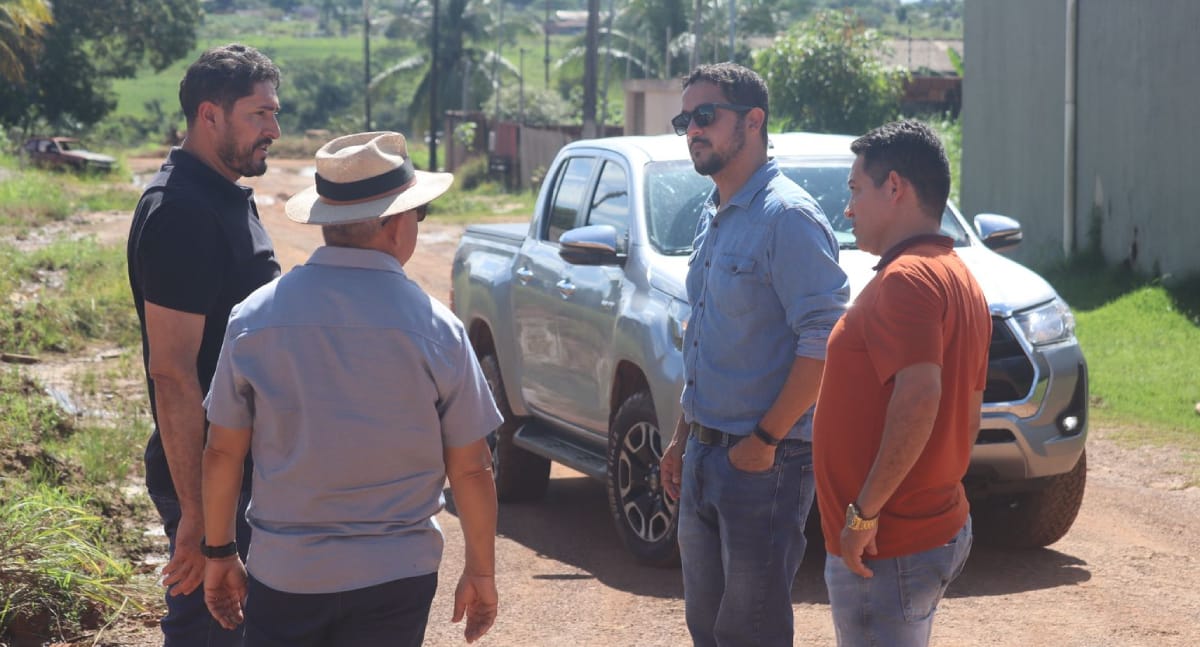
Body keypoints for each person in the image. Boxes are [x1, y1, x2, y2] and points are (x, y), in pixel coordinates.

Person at [200, 131, 502, 646]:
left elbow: (222, 451)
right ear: (394, 224)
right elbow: (471, 466)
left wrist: (220, 553)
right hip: (396, 576)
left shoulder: (253, 319)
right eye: (419, 213)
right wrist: (481, 572)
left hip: (285, 574)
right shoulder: (437, 329)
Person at [658, 62, 850, 647]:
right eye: (684, 121)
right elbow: (707, 335)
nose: (693, 130)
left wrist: (764, 440)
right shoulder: (713, 213)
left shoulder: (787, 217)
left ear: (753, 120)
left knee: (751, 631)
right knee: (707, 628)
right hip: (704, 452)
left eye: (705, 115)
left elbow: (824, 341)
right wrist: (682, 438)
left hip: (766, 462)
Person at [812, 120, 992, 646]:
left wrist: (863, 515)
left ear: (894, 187)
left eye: (855, 190)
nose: (848, 209)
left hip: (888, 546)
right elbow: (969, 417)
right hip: (920, 532)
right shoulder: (958, 274)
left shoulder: (907, 280)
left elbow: (919, 398)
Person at [126, 43, 281, 646]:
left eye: (274, 113)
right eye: (258, 114)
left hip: (237, 471)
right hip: (212, 479)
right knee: (209, 630)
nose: (273, 130)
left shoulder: (221, 194)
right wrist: (198, 514)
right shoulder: (183, 214)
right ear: (209, 115)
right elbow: (172, 371)